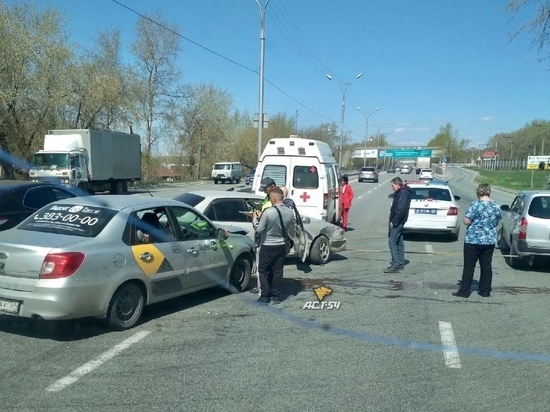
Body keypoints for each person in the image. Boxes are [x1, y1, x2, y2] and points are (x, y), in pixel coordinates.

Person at [453, 183, 502, 298]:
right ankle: (485, 290)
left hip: (473, 240)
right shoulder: (496, 206)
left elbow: (467, 221)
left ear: (479, 192)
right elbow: (496, 222)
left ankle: (464, 291)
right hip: (489, 240)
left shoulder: (475, 205)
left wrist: (469, 220)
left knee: (469, 266)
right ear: (489, 192)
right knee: (486, 266)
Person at [252, 187, 294, 305]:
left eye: (271, 199)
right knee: (278, 271)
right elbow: (291, 230)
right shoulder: (289, 212)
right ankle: (276, 296)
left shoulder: (268, 212)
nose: (270, 201)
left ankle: (264, 296)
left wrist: (255, 219)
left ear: (274, 199)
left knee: (263, 270)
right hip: (281, 245)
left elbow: (259, 229)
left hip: (267, 245)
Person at [385, 176, 412, 273]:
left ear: (397, 184)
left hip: (399, 221)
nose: (392, 188)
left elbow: (400, 209)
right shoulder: (401, 192)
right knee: (399, 242)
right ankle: (400, 262)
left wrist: (394, 222)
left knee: (392, 241)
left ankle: (395, 264)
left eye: (392, 185)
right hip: (400, 220)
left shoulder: (403, 193)